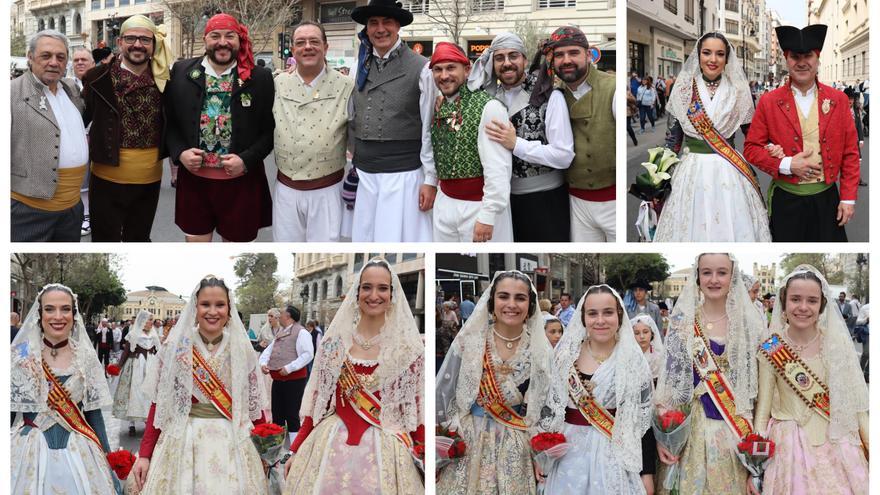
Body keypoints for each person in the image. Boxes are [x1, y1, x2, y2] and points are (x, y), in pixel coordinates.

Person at [283, 259, 424, 493]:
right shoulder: (334, 345)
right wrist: (296, 450)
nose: (374, 295)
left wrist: (425, 459)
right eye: (366, 287)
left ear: (392, 294)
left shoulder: (408, 350)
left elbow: (416, 412)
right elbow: (317, 404)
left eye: (382, 288)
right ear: (356, 293)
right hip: (330, 445)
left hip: (387, 451)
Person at [130, 276, 268, 494]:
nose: (212, 311)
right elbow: (160, 405)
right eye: (205, 304)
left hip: (233, 441)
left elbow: (254, 406)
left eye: (220, 305)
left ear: (229, 309)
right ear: (195, 308)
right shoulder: (175, 348)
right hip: (184, 440)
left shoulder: (243, 350)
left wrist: (266, 450)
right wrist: (145, 454)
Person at [436, 270, 556, 493]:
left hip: (517, 445)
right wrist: (444, 441)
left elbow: (548, 405)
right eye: (503, 296)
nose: (511, 304)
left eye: (520, 298)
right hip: (470, 441)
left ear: (530, 305)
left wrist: (541, 452)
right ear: (491, 302)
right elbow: (444, 393)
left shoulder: (540, 350)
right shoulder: (469, 341)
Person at [654, 254, 764, 494]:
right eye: (706, 272)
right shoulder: (683, 323)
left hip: (735, 433)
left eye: (722, 273)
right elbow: (670, 384)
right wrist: (665, 436)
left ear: (732, 277)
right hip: (691, 433)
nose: (714, 279)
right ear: (697, 277)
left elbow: (761, 390)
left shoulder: (751, 325)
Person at [755, 265, 868, 493]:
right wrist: (754, 464)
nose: (803, 307)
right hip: (788, 446)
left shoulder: (836, 346)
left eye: (812, 301)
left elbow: (856, 406)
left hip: (836, 442)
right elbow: (763, 407)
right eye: (795, 299)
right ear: (784, 304)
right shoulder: (771, 348)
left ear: (822, 305)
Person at [164, 13, 274, 242]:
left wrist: (246, 160)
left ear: (239, 40)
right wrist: (180, 152)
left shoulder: (259, 78)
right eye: (215, 36)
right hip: (194, 183)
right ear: (205, 40)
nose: (222, 42)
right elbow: (169, 122)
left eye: (229, 36)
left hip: (241, 184)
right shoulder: (182, 72)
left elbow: (269, 131)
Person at [743, 24, 859, 241]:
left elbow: (850, 152)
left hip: (827, 201)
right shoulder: (769, 101)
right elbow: (751, 149)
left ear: (817, 59)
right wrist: (787, 164)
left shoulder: (839, 100)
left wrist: (849, 198)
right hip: (787, 202)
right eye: (795, 57)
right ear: (786, 60)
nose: (802, 62)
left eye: (809, 56)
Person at [655, 32, 771, 242]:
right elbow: (672, 141)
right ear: (698, 55)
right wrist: (656, 177)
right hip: (691, 172)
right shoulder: (683, 89)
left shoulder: (739, 91)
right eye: (707, 53)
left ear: (727, 59)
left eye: (719, 54)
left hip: (729, 170)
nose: (713, 59)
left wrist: (773, 149)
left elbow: (753, 136)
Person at [11, 284, 119, 494]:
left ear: (74, 314)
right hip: (29, 451)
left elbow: (93, 413)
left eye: (65, 309)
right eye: (50, 309)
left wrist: (108, 458)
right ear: (40, 314)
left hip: (79, 449)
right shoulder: (21, 356)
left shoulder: (86, 358)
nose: (58, 316)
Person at [544, 285, 652, 493]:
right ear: (583, 317)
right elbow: (549, 408)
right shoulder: (565, 357)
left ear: (619, 316)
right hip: (568, 459)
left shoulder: (633, 361)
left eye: (608, 312)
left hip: (616, 458)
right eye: (592, 313)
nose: (600, 320)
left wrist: (647, 472)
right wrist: (543, 455)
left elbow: (642, 421)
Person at [468, 32, 575, 242]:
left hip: (545, 202)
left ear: (524, 60)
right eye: (500, 58)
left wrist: (516, 144)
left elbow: (564, 156)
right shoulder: (486, 99)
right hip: (504, 203)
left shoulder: (549, 96)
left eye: (513, 56)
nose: (507, 63)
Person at [349, 0, 436, 242]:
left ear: (397, 26)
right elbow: (351, 115)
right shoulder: (359, 64)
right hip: (365, 174)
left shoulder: (422, 68)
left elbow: (430, 127)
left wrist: (430, 180)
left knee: (397, 238)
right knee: (365, 238)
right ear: (366, 29)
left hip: (403, 175)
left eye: (387, 22)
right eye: (373, 23)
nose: (380, 29)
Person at [82, 15, 173, 242]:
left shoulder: (167, 80)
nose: (138, 45)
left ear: (154, 45)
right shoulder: (96, 77)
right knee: (104, 240)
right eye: (131, 38)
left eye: (145, 39)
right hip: (105, 179)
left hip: (148, 181)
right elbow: (80, 120)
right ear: (120, 42)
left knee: (139, 239)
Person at [273, 21, 354, 241]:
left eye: (314, 42)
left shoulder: (347, 86)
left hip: (328, 189)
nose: (307, 47)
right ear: (292, 49)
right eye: (300, 42)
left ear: (326, 47)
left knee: (325, 249)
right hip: (286, 189)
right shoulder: (278, 84)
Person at [536, 26, 616, 242]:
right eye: (560, 55)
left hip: (614, 203)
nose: (566, 60)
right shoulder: (553, 94)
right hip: (576, 204)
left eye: (573, 53)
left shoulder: (613, 88)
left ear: (588, 55)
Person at [429, 42, 513, 242]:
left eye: (451, 68)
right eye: (438, 70)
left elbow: (498, 167)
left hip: (478, 207)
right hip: (445, 204)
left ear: (466, 70)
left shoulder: (489, 107)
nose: (444, 76)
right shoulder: (441, 105)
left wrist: (488, 214)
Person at [11, 30, 89, 242]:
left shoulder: (71, 89)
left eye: (60, 57)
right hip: (27, 211)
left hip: (72, 208)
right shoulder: (10, 93)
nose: (54, 62)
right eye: (46, 56)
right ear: (30, 57)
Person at [259, 305, 313, 441]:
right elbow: (269, 351)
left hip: (294, 381)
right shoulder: (281, 332)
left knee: (292, 414)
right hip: (278, 380)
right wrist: (263, 363)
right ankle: (277, 446)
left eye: (281, 314)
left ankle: (293, 450)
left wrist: (289, 368)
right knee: (277, 413)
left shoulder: (301, 332)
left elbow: (308, 354)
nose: (279, 316)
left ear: (288, 316)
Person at [112, 309, 160, 436]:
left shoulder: (154, 335)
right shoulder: (133, 334)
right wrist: (118, 366)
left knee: (149, 393)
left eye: (152, 320)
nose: (151, 322)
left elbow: (158, 353)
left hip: (150, 365)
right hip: (136, 365)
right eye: (149, 320)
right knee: (134, 393)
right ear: (143, 321)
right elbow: (126, 352)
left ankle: (147, 420)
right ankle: (131, 424)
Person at [631, 313, 665, 380]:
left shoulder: (658, 357)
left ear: (652, 333)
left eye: (645, 332)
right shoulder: (629, 355)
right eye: (637, 333)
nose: (642, 336)